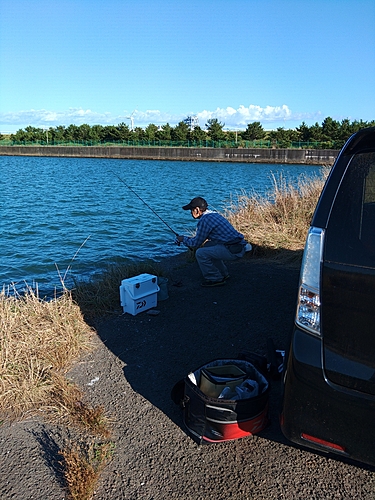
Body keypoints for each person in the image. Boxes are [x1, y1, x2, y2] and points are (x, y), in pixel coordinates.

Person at [176, 196, 251, 287]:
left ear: (197, 210)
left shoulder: (205, 220)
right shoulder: (213, 214)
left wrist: (182, 239)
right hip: (239, 246)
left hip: (233, 250)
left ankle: (214, 278)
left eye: (191, 210)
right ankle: (223, 274)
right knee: (208, 245)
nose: (191, 213)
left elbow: (195, 244)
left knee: (200, 253)